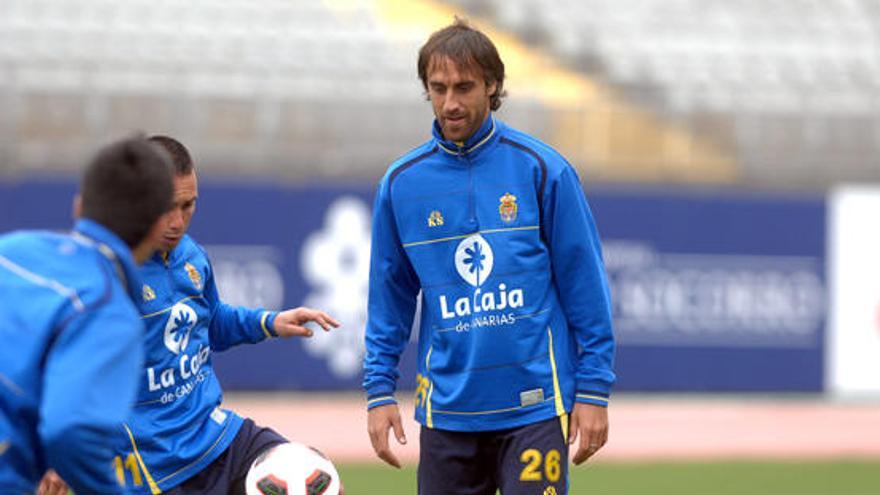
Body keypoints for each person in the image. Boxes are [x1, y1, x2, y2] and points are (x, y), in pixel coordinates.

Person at [364, 18, 616, 495]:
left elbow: (586, 284)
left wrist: (594, 388)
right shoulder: (401, 184)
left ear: (493, 85)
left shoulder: (544, 170)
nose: (450, 103)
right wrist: (378, 391)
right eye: (438, 89)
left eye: (464, 87)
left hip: (536, 408)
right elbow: (388, 299)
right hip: (447, 411)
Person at [101, 135, 341, 495]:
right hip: (154, 464)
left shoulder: (191, 255)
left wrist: (271, 322)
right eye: (167, 207)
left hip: (215, 435)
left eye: (188, 205)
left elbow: (210, 322)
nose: (178, 222)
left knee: (313, 479)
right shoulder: (108, 275)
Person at [0, 137, 175, 494]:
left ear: (79, 207)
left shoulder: (12, 249)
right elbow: (70, 431)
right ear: (159, 228)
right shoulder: (109, 311)